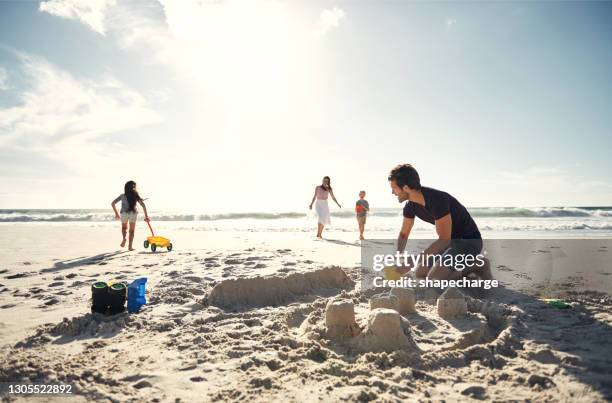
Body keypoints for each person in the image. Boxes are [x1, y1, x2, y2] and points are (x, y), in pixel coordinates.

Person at [388, 164, 491, 280]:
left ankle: (478, 265)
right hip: (451, 244)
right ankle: (458, 271)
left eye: (394, 188)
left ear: (406, 188)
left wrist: (415, 260)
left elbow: (444, 240)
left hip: (469, 242)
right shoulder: (410, 206)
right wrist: (398, 255)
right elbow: (403, 234)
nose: (392, 192)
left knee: (434, 277)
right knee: (420, 273)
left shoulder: (437, 200)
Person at [111, 181, 150, 251]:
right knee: (132, 231)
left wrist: (116, 213)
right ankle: (130, 247)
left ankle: (124, 239)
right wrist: (146, 216)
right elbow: (143, 205)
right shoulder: (135, 195)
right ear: (133, 188)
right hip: (133, 213)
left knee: (124, 228)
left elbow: (113, 203)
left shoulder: (122, 196)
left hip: (124, 214)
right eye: (135, 186)